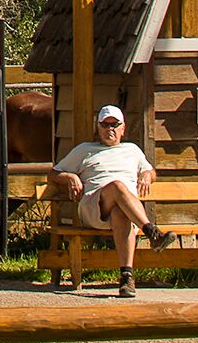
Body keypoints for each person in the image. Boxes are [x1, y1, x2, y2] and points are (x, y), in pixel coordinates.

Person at [49, 104, 174, 297]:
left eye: (114, 125)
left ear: (123, 128)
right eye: (105, 125)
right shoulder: (85, 150)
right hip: (93, 207)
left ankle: (126, 278)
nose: (110, 129)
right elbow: (54, 173)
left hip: (124, 212)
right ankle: (151, 231)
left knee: (120, 212)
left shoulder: (132, 150)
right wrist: (71, 177)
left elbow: (150, 170)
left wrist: (148, 175)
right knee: (117, 185)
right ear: (98, 128)